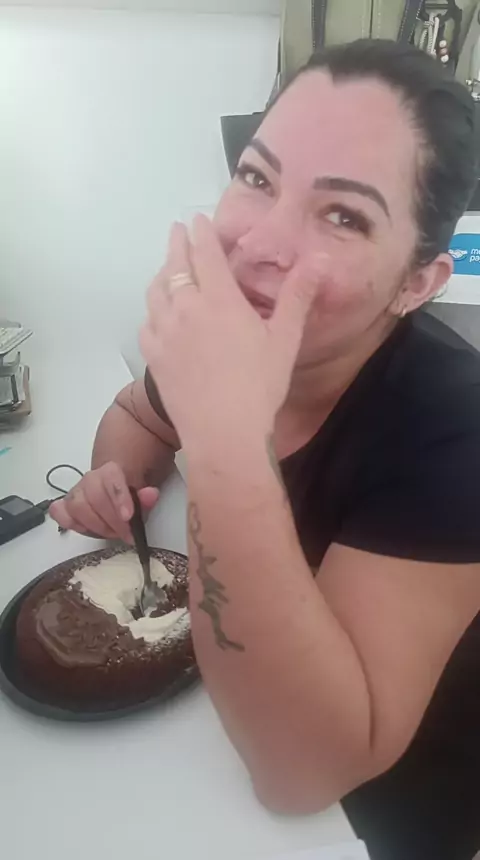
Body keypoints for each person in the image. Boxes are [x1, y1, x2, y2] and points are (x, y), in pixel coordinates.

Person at [50, 40, 480, 860]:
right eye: (257, 176)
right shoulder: (229, 334)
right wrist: (116, 474)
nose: (258, 245)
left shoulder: (455, 433)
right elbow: (138, 413)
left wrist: (225, 441)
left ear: (417, 283)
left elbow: (303, 775)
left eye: (345, 215)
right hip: (191, 742)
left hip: (368, 816)